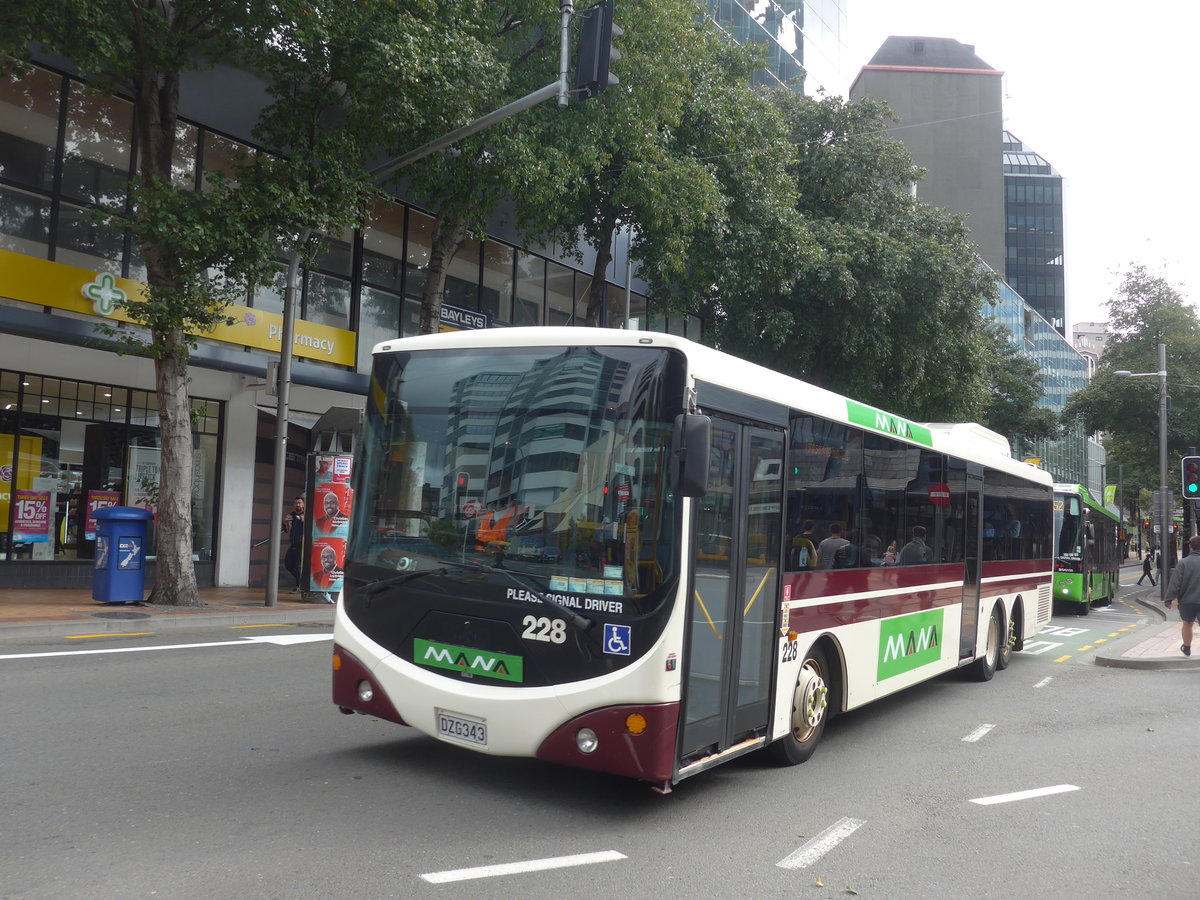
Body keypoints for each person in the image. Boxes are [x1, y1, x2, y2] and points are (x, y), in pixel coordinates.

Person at [1164, 535, 1200, 656]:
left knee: (1187, 624)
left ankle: (1187, 647)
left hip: (1187, 601)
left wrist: (1169, 599)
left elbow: (1175, 583)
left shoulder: (1183, 563)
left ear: (1190, 547)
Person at [282, 495, 305, 592]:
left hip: (302, 544)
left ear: (303, 504)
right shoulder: (291, 516)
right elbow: (286, 530)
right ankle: (303, 581)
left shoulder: (306, 515)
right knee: (288, 564)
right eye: (296, 503)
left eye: (299, 503)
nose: (297, 505)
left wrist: (304, 521)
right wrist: (285, 522)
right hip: (293, 544)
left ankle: (299, 586)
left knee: (298, 565)